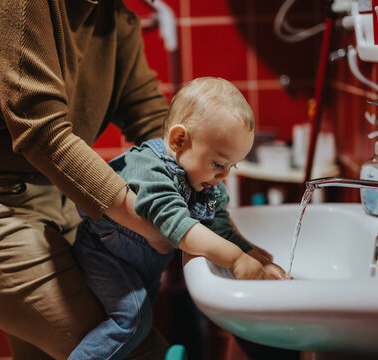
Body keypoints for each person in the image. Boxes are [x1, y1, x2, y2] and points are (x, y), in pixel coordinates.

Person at [0, 0, 177, 359]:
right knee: (135, 347)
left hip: (53, 197)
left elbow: (154, 123)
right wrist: (164, 224)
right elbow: (44, 135)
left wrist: (217, 217)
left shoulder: (114, 15)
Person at [69, 77, 288, 360]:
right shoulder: (150, 169)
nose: (224, 177)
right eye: (218, 164)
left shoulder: (208, 186)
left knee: (141, 328)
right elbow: (179, 228)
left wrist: (258, 258)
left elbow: (221, 229)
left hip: (142, 265)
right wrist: (235, 259)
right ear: (179, 139)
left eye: (231, 166)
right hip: (104, 256)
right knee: (131, 323)